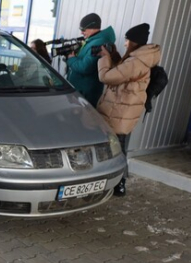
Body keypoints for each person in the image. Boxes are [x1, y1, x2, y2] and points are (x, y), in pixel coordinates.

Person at [96, 23, 161, 196]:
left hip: (121, 113)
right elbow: (123, 72)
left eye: (127, 40)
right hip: (122, 111)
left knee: (118, 149)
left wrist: (103, 57)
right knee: (117, 147)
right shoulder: (137, 58)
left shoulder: (136, 61)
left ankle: (120, 184)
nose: (125, 43)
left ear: (134, 42)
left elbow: (106, 76)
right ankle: (116, 182)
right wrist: (115, 55)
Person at [66, 13, 116, 107]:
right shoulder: (91, 40)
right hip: (81, 92)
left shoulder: (98, 43)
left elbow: (86, 67)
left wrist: (71, 59)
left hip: (86, 93)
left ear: (93, 27)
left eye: (83, 29)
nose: (81, 32)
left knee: (83, 120)